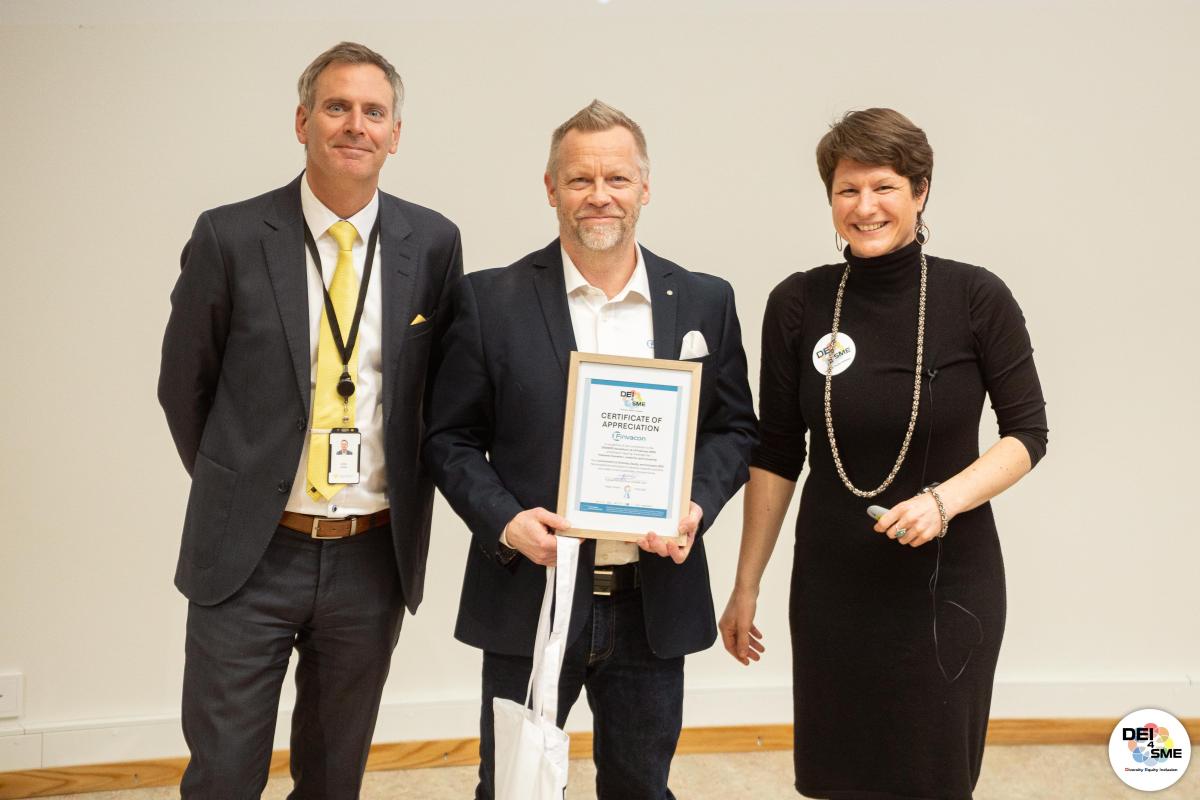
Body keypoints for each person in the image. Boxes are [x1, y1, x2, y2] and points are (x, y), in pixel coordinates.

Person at [423, 100, 757, 800]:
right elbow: (448, 438)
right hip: (531, 597)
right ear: (551, 189)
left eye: (617, 179)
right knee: (514, 787)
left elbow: (733, 428)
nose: (599, 196)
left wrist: (696, 503)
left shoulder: (702, 301)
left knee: (641, 787)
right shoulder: (490, 300)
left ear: (644, 187)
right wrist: (506, 521)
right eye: (579, 180)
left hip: (651, 599)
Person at [158, 42, 462, 798]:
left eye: (373, 111)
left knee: (333, 779)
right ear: (302, 121)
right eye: (336, 107)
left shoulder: (433, 244)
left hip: (369, 557)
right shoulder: (230, 236)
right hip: (250, 557)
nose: (354, 125)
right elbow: (182, 386)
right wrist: (245, 485)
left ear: (396, 133)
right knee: (224, 776)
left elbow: (446, 394)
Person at [718, 108, 1048, 800]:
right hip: (832, 590)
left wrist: (942, 502)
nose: (864, 207)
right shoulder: (798, 303)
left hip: (946, 585)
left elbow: (1027, 434)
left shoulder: (975, 297)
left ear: (921, 191)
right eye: (847, 190)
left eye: (884, 187)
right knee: (840, 777)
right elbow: (776, 453)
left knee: (931, 779)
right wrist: (746, 583)